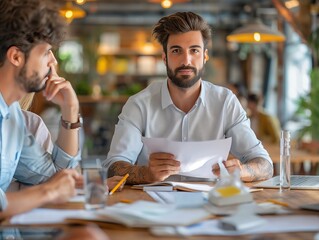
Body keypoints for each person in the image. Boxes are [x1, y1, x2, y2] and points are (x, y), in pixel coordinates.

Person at [103, 12, 273, 184]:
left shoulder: (225, 102)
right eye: (176, 51)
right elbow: (113, 167)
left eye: (194, 50)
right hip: (154, 205)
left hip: (211, 205)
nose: (186, 60)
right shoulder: (139, 104)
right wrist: (146, 173)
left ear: (205, 56)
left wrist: (242, 171)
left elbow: (265, 165)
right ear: (164, 57)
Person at [0, 0, 83, 219]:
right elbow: (52, 186)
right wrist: (50, 191)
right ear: (16, 57)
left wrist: (70, 109)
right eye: (46, 52)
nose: (53, 62)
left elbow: (55, 176)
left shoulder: (12, 117)